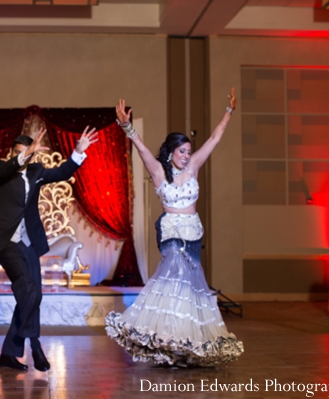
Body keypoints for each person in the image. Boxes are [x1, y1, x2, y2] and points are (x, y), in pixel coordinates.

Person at [105, 89, 244, 367]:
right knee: (175, 276)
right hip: (170, 233)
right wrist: (126, 126)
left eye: (189, 151)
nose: (186, 155)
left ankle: (182, 345)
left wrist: (229, 112)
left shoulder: (193, 167)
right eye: (182, 151)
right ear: (171, 152)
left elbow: (214, 139)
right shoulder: (158, 171)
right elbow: (141, 148)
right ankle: (166, 338)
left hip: (192, 232)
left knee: (190, 286)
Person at [0, 126, 98, 371]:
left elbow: (63, 172)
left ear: (33, 157)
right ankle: (35, 347)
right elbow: (6, 168)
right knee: (28, 289)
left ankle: (9, 353)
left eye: (26, 153)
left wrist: (78, 152)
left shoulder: (36, 172)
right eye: (17, 152)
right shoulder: (0, 170)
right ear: (12, 153)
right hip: (6, 242)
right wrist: (22, 156)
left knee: (33, 296)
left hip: (29, 243)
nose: (21, 157)